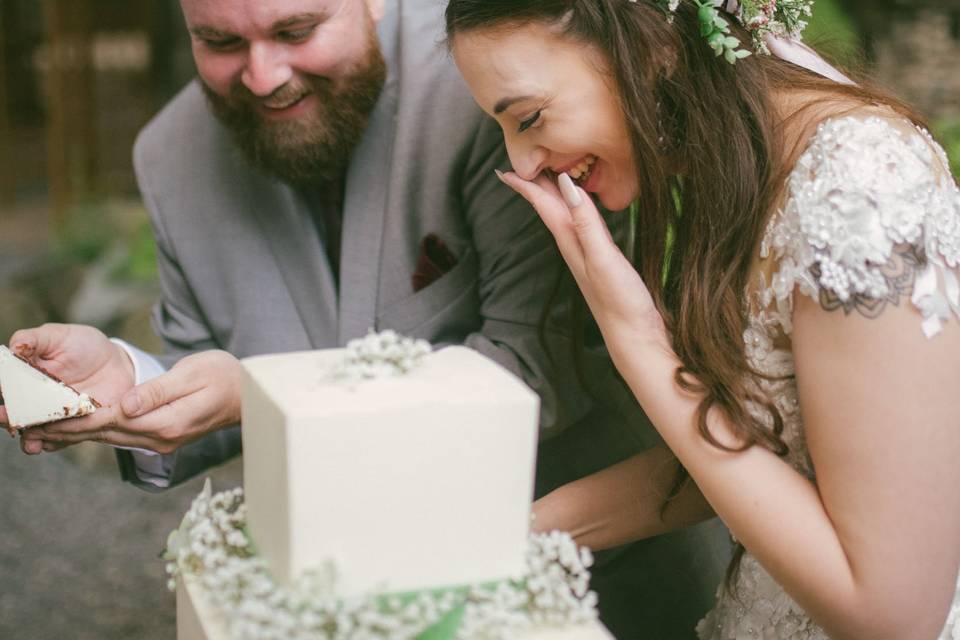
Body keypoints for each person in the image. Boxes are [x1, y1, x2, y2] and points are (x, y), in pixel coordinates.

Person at [2, 0, 731, 636]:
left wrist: (254, 388)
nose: (264, 76)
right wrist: (131, 377)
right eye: (220, 42)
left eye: (297, 28)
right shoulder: (167, 158)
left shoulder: (490, 86)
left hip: (594, 573)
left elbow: (537, 367)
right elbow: (205, 371)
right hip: (343, 598)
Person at [445, 0, 960, 638]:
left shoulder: (858, 192)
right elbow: (762, 445)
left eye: (528, 117)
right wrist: (510, 533)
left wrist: (636, 341)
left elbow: (893, 616)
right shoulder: (741, 162)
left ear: (652, 45)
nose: (523, 164)